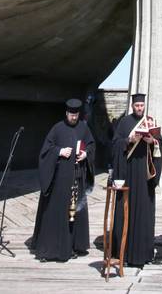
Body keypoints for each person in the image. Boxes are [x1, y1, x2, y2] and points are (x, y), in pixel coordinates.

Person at [31, 98, 95, 262]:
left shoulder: (83, 128)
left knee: (74, 213)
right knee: (57, 212)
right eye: (71, 115)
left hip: (77, 177)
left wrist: (85, 154)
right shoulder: (57, 128)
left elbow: (91, 145)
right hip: (60, 179)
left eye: (76, 115)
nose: (73, 117)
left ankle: (74, 246)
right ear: (66, 113)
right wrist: (59, 151)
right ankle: (52, 249)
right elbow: (45, 151)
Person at [111, 93, 162, 267]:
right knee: (126, 211)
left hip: (144, 175)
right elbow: (115, 144)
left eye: (142, 105)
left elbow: (160, 144)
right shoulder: (124, 123)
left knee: (144, 211)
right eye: (137, 106)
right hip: (128, 174)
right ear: (132, 106)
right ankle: (124, 253)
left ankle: (144, 253)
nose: (139, 108)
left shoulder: (150, 122)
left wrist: (152, 141)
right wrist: (128, 140)